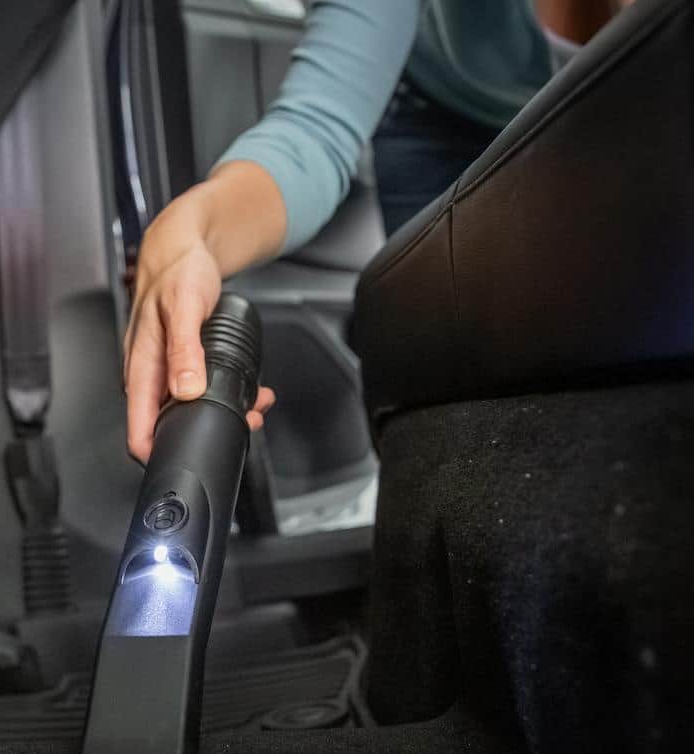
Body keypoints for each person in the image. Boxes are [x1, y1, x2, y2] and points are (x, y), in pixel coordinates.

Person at [122, 0, 628, 464]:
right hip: (448, 109)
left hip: (623, 104)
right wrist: (190, 232)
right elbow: (312, 135)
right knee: (441, 389)